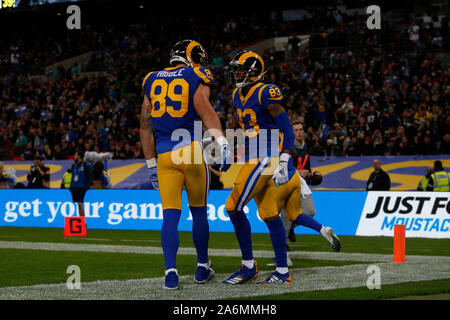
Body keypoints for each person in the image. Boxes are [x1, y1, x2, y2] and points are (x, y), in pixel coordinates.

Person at [140, 39, 230, 290]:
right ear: (191, 57)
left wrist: (150, 164)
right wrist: (221, 141)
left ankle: (170, 272)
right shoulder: (195, 74)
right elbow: (205, 110)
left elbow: (145, 126)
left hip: (164, 157)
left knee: (170, 216)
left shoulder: (150, 79)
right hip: (190, 150)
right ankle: (202, 267)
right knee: (199, 211)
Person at [222, 50, 294, 285]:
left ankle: (249, 266)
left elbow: (287, 128)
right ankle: (282, 272)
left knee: (232, 206)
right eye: (236, 69)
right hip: (253, 157)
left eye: (241, 69)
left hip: (266, 157)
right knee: (270, 214)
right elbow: (237, 126)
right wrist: (224, 147)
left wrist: (284, 158)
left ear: (254, 70)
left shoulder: (265, 91)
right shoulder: (236, 94)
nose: (237, 73)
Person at [69, 150, 93, 217]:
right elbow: (73, 176)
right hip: (74, 188)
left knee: (80, 204)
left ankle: (82, 220)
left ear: (79, 156)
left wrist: (87, 187)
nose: (74, 157)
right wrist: (71, 186)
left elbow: (90, 177)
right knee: (78, 204)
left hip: (81, 188)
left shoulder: (86, 165)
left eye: (75, 155)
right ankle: (81, 219)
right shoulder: (74, 166)